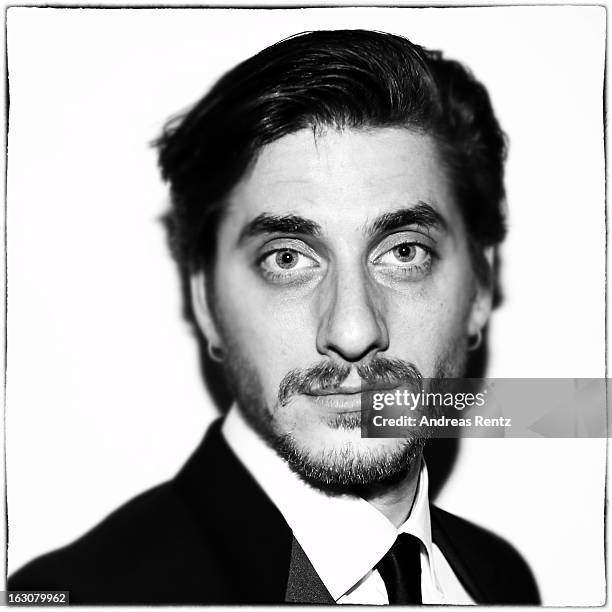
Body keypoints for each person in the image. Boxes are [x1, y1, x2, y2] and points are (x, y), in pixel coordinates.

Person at [8, 29, 540, 605]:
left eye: (404, 252)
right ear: (207, 302)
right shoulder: (78, 598)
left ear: (481, 287)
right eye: (287, 259)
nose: (353, 331)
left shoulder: (501, 578)